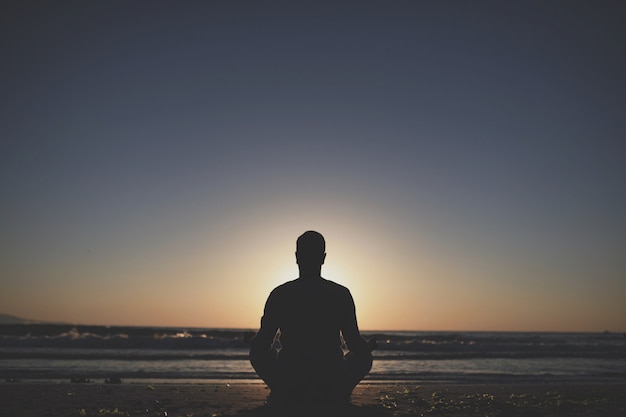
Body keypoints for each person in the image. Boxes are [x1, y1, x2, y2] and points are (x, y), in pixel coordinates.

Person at [249, 231, 376, 403]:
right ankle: (337, 392)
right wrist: (368, 347)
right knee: (364, 357)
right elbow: (353, 342)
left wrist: (251, 341)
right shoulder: (340, 294)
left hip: (289, 380)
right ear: (323, 258)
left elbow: (263, 342)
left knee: (258, 353)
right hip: (332, 380)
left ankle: (285, 391)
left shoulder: (280, 294)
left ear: (297, 257)